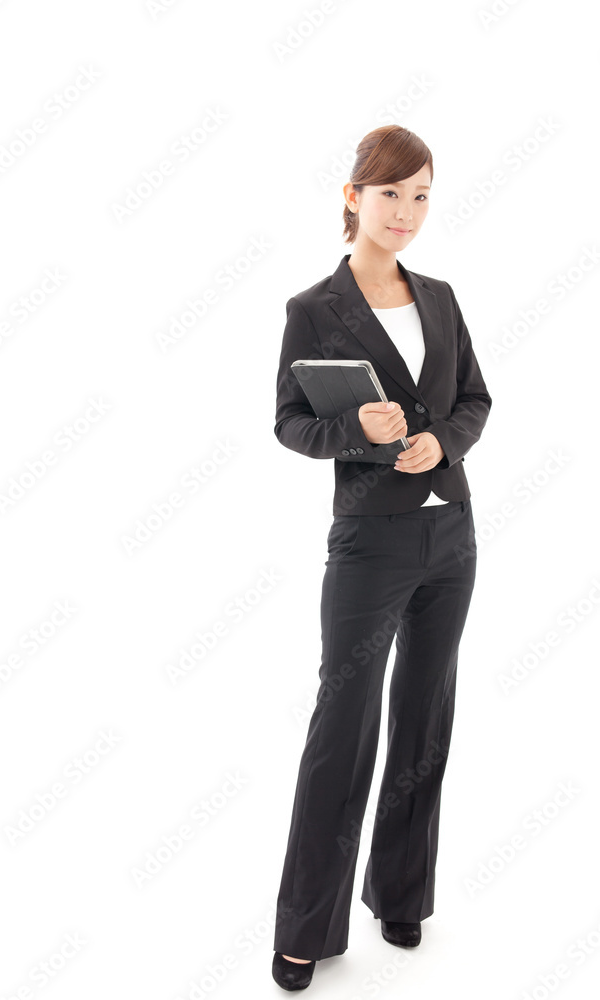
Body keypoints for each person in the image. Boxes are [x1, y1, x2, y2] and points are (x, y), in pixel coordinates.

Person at [271, 124, 492, 991]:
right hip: (368, 543)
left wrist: (440, 443)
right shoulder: (313, 308)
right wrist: (355, 435)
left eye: (422, 195)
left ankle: (400, 894)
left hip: (450, 536)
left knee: (425, 720)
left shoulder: (438, 296)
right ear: (352, 196)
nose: (406, 212)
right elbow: (290, 423)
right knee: (342, 729)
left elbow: (473, 397)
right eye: (391, 193)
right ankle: (305, 926)